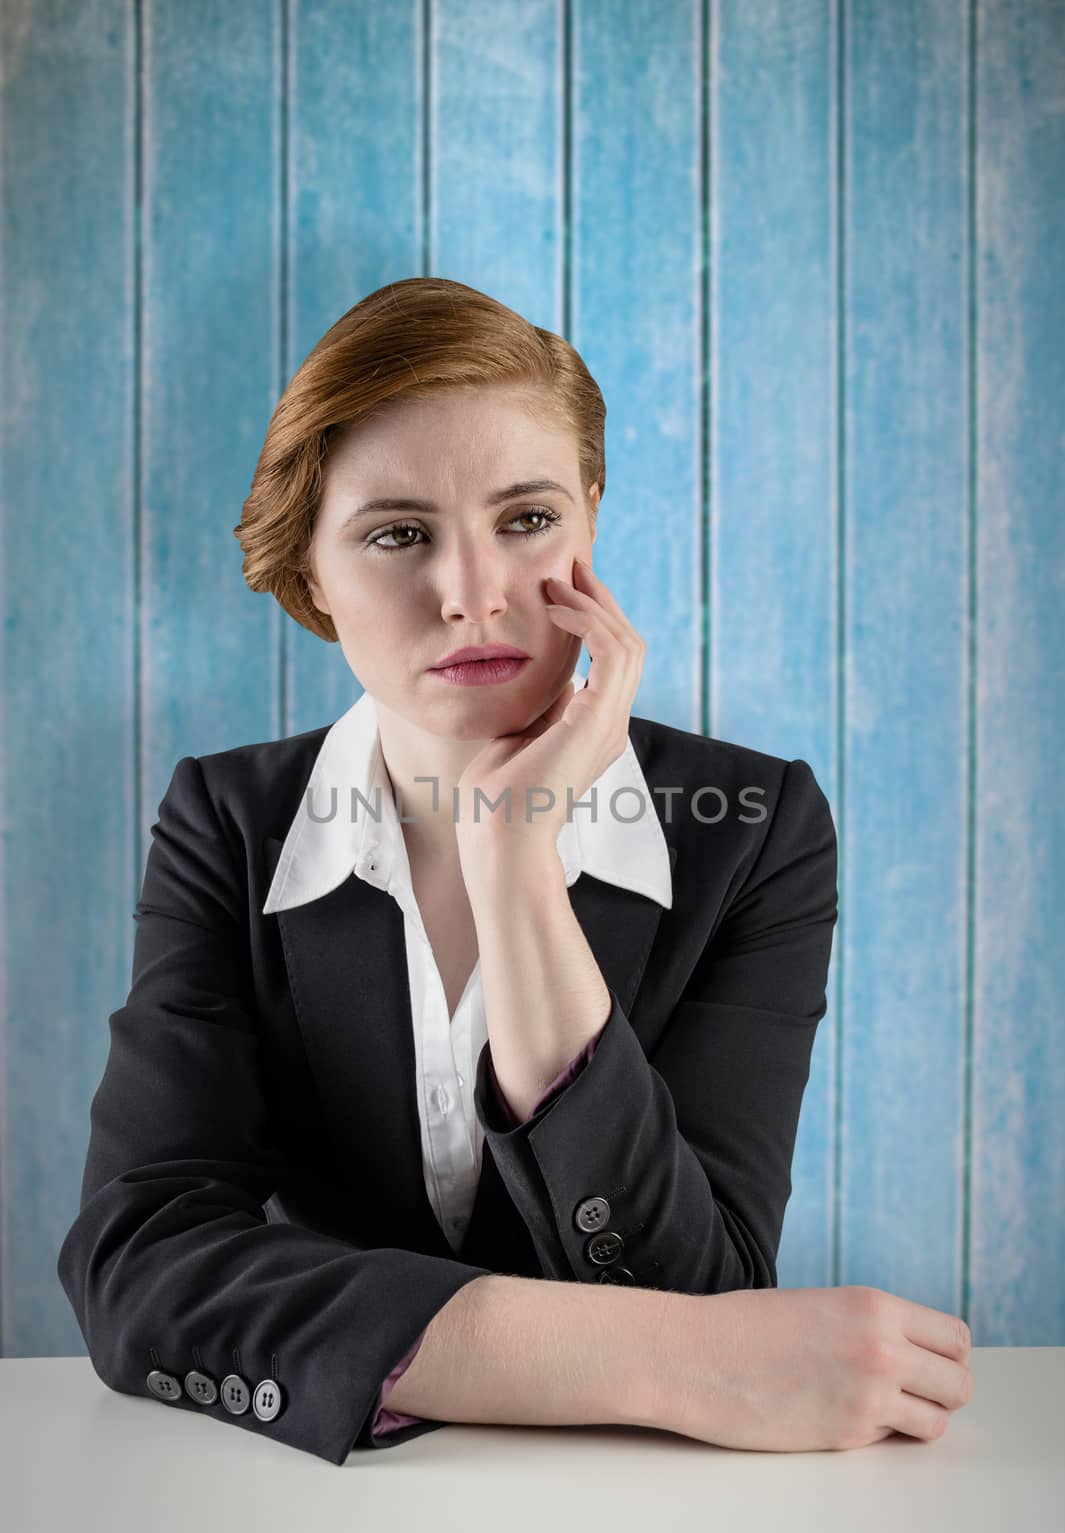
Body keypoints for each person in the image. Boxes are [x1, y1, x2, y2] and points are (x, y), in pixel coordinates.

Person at [57, 277, 973, 1466]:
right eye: (397, 534)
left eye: (528, 518)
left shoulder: (752, 826)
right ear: (313, 575)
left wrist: (515, 865)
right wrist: (675, 1362)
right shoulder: (229, 824)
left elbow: (695, 1276)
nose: (473, 593)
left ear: (590, 515)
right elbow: (142, 1261)